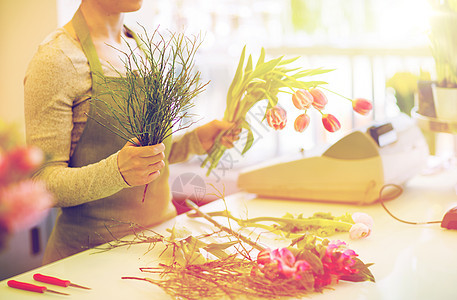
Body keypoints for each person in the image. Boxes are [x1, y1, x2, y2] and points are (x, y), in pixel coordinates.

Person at [24, 0, 238, 264]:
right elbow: (41, 183)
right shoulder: (57, 60)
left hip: (161, 248)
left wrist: (194, 141)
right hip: (90, 262)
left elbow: (144, 155)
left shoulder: (142, 49)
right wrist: (117, 172)